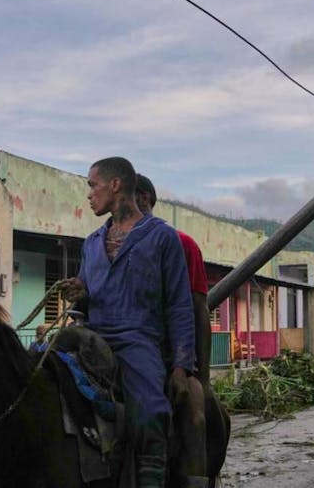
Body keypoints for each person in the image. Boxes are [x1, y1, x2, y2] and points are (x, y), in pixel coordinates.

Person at [65, 157, 195, 488]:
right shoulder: (92, 243)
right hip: (89, 337)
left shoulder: (163, 237)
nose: (89, 194)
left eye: (93, 185)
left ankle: (152, 478)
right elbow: (85, 298)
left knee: (151, 410)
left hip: (136, 341)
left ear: (116, 185)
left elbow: (180, 304)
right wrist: (80, 292)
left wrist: (181, 366)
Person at [135, 173, 210, 487]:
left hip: (168, 357)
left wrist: (201, 377)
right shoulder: (104, 243)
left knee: (195, 417)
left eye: (135, 195)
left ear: (147, 199)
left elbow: (197, 310)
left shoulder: (181, 243)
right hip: (118, 353)